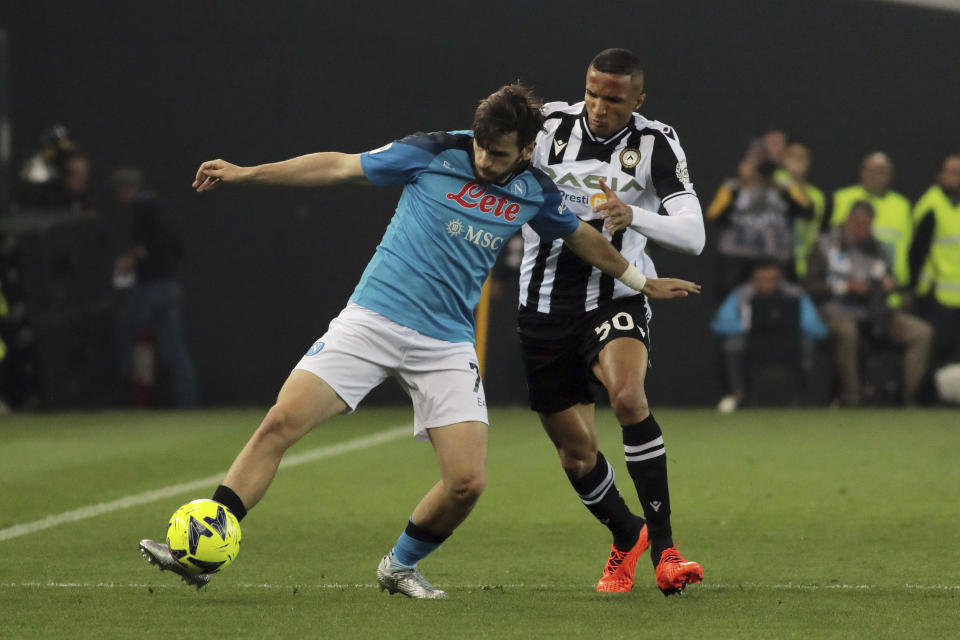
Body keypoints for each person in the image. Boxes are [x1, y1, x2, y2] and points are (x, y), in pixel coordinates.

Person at [137, 84, 701, 598]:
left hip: (446, 346)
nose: (484, 160)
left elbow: (582, 239)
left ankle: (400, 566)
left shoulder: (535, 192)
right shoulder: (432, 151)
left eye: (499, 154)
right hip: (372, 321)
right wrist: (246, 173)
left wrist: (640, 281)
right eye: (481, 147)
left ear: (527, 150)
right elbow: (338, 167)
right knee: (279, 424)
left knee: (467, 483)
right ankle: (204, 544)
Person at [519, 48, 705, 596]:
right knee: (576, 455)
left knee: (628, 398)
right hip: (543, 309)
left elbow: (693, 236)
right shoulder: (547, 125)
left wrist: (636, 215)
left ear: (638, 100)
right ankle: (627, 535)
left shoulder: (655, 143)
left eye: (614, 99)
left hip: (616, 293)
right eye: (593, 93)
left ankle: (666, 552)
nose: (599, 107)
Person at [805, 201, 932, 406]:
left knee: (921, 332)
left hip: (873, 310)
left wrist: (889, 285)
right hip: (835, 309)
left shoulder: (877, 248)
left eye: (867, 225)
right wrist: (846, 286)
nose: (862, 230)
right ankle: (852, 398)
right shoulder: (825, 245)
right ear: (848, 220)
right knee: (848, 331)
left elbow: (890, 279)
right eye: (857, 224)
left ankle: (909, 398)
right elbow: (810, 285)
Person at [112, 167, 199, 408]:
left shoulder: (143, 206)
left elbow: (154, 243)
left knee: (123, 332)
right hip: (170, 285)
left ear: (123, 190)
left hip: (151, 287)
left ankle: (117, 398)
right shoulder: (160, 205)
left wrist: (135, 256)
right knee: (174, 349)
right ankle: (187, 403)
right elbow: (175, 245)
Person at [711, 260, 827, 413]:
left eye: (771, 280)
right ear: (753, 278)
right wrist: (747, 325)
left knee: (808, 344)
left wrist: (792, 324)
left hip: (789, 343)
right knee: (732, 345)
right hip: (752, 342)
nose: (766, 283)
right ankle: (738, 394)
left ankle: (804, 395)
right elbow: (718, 324)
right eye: (760, 280)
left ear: (779, 278)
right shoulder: (741, 294)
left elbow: (819, 330)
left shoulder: (796, 294)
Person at [707, 141, 813, 297]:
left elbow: (807, 210)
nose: (755, 169)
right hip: (738, 258)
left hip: (775, 259)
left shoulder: (782, 185)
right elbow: (713, 215)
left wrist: (780, 186)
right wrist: (739, 189)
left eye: (760, 163)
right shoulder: (732, 187)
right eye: (750, 163)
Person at [830, 152, 913, 306]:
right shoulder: (842, 199)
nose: (876, 176)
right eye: (871, 170)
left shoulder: (902, 206)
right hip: (852, 288)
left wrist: (902, 288)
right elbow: (833, 244)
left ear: (890, 176)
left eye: (882, 171)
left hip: (891, 291)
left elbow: (906, 248)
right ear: (862, 172)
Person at [909, 153, 960, 372]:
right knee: (937, 351)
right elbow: (917, 253)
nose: (958, 177)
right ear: (939, 175)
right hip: (937, 295)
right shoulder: (931, 205)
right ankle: (930, 399)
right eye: (953, 172)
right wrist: (915, 290)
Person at [777, 142, 826, 279]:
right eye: (792, 156)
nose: (796, 161)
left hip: (803, 264)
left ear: (808, 162)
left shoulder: (817, 196)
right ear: (783, 159)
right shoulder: (775, 181)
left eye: (801, 157)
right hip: (775, 262)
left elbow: (809, 217)